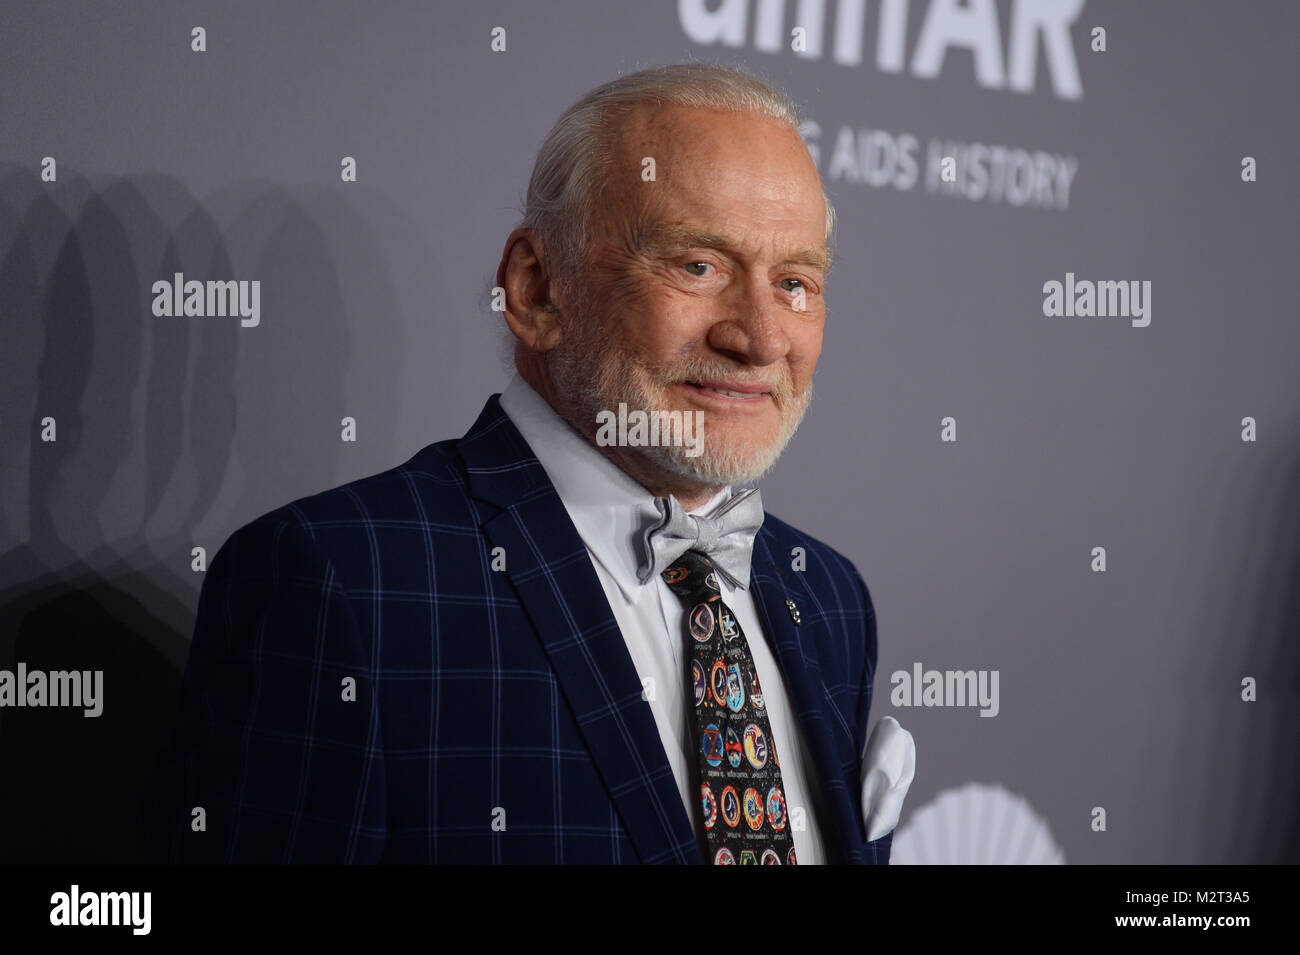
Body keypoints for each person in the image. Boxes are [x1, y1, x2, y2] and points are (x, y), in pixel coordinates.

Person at [141, 62, 896, 864]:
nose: (761, 337)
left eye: (794, 282)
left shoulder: (828, 594)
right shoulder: (343, 581)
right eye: (698, 265)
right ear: (536, 290)